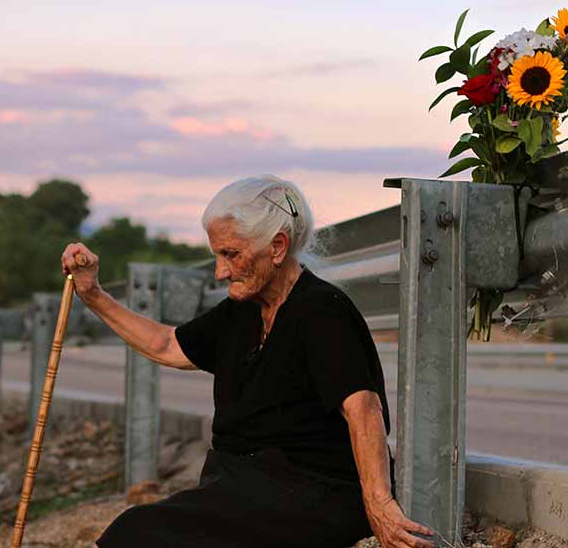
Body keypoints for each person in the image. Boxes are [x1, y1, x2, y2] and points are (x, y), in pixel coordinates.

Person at [60, 175, 433, 548]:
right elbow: (166, 344)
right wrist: (92, 294)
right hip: (244, 489)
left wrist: (380, 505)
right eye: (217, 255)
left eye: (231, 254)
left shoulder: (321, 310)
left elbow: (363, 409)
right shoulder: (240, 311)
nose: (221, 271)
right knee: (142, 529)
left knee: (135, 533)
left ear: (277, 247)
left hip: (309, 494)